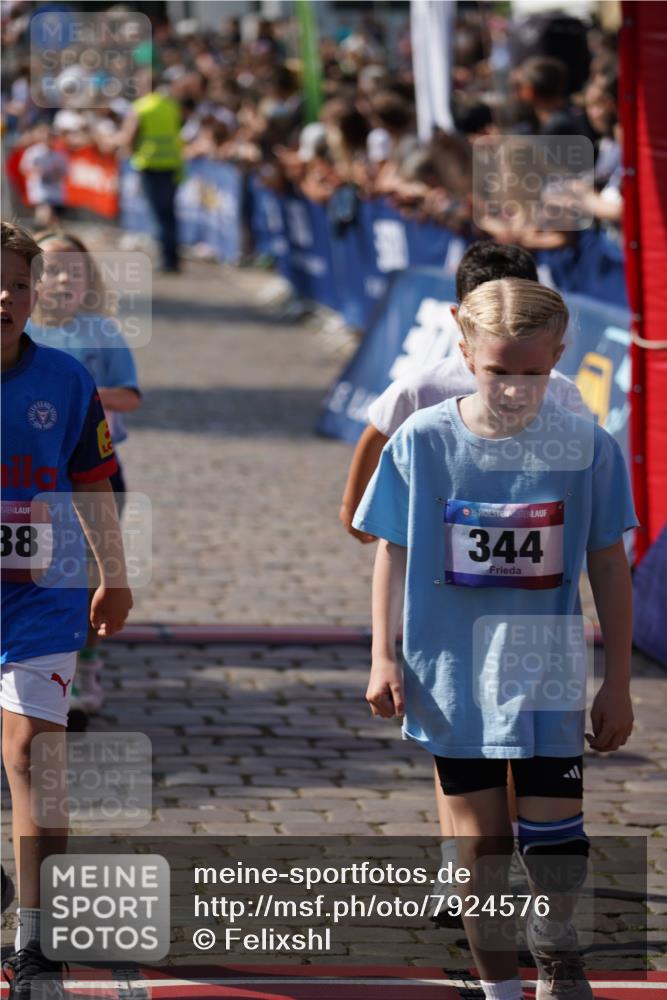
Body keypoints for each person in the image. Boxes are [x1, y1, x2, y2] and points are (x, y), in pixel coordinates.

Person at [353, 278, 636, 1000]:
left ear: (560, 359)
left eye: (532, 374)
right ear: (465, 354)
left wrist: (618, 681)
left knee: (555, 843)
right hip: (449, 677)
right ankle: (498, 986)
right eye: (497, 372)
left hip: (545, 676)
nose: (513, 389)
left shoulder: (586, 447)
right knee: (479, 847)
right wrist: (383, 654)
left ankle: (557, 949)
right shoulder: (423, 439)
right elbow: (391, 546)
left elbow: (606, 559)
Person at [340, 241, 588, 923]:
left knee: (519, 768)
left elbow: (583, 492)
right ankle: (463, 875)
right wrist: (352, 502)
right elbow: (375, 432)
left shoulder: (562, 400)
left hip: (528, 625)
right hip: (445, 619)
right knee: (464, 761)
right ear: (462, 324)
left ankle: (498, 884)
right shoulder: (426, 391)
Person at [1, 221, 133, 999]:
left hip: (43, 596)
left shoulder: (67, 379)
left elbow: (93, 482)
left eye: (18, 284)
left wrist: (114, 575)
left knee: (31, 759)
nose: (5, 296)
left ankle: (37, 937)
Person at [27, 229, 141, 721]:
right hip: (30, 476)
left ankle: (85, 665)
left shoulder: (102, 332)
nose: (59, 279)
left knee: (89, 571)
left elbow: (131, 395)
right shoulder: (18, 327)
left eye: (72, 271)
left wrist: (80, 394)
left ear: (88, 280)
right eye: (49, 269)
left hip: (95, 471)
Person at [112, 70, 184, 272]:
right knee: (169, 214)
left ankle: (166, 260)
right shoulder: (170, 105)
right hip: (172, 164)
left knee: (158, 214)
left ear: (142, 86)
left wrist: (120, 146)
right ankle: (173, 258)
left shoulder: (140, 108)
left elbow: (128, 137)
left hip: (150, 165)